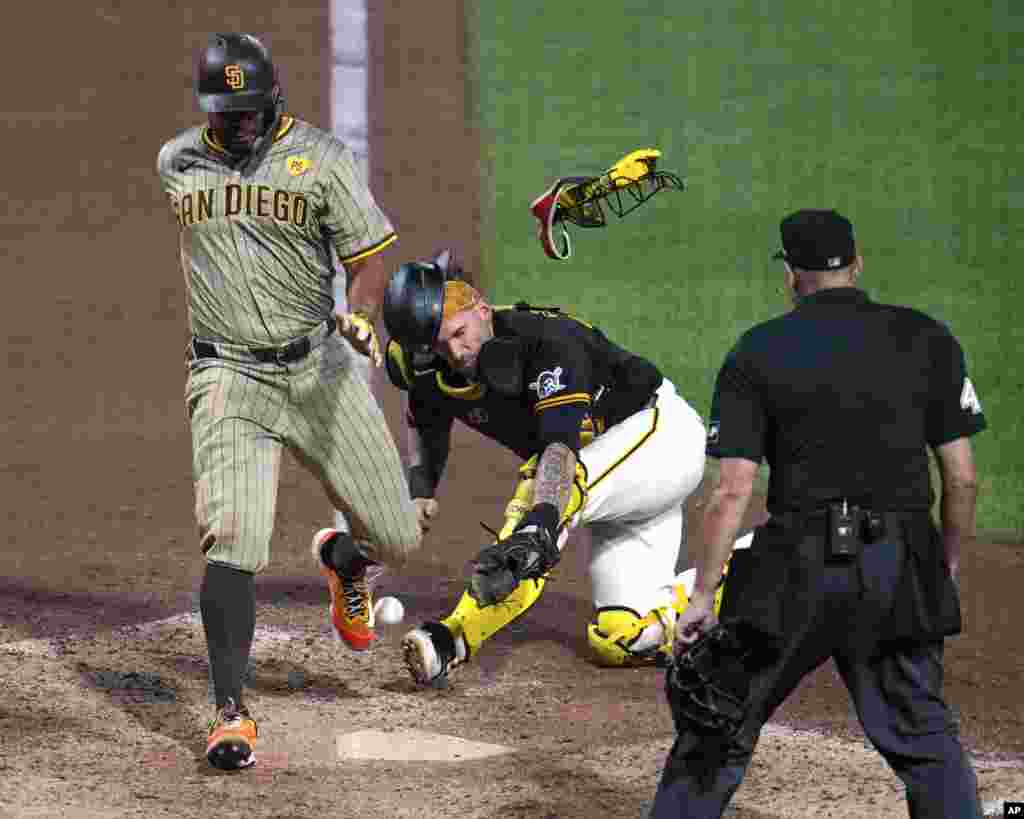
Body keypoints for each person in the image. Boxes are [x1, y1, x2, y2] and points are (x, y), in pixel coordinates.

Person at [651, 209, 986, 818]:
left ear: (789, 274)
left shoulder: (758, 351)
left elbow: (732, 491)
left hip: (796, 569)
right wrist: (944, 563)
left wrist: (702, 597)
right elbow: (961, 476)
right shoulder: (928, 338)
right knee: (925, 739)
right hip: (896, 563)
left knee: (718, 724)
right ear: (857, 264)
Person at [156, 33, 421, 771]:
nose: (236, 125)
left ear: (273, 99)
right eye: (224, 112)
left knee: (398, 536)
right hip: (227, 378)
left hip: (318, 370)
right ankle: (231, 710)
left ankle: (345, 558)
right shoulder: (178, 161)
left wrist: (362, 309)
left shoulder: (324, 161)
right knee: (234, 538)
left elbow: (367, 258)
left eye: (248, 111)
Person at [378, 251, 751, 687]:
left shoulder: (547, 342)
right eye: (440, 346)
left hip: (660, 441)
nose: (455, 353)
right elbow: (427, 413)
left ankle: (453, 638)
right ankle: (751, 563)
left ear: (482, 309)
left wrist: (540, 522)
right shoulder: (423, 361)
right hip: (619, 490)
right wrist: (422, 487)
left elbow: (558, 449)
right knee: (621, 639)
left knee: (542, 495)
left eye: (461, 334)